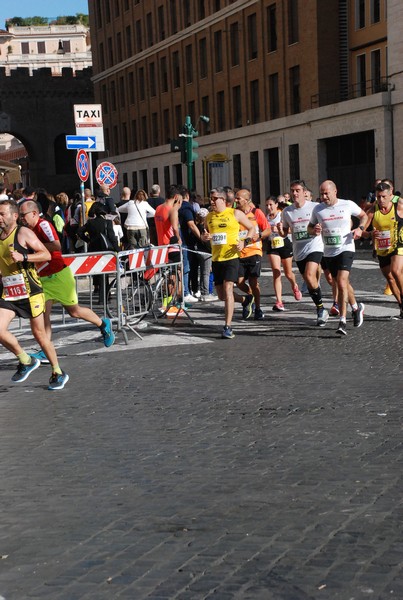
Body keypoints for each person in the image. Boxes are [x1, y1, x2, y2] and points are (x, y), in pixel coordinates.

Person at [18, 200, 115, 361]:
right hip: (43, 278)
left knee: (74, 311)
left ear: (34, 213)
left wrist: (34, 248)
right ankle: (46, 348)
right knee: (43, 315)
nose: (21, 218)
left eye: (23, 215)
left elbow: (56, 245)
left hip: (58, 275)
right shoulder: (28, 229)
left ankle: (103, 324)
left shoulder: (43, 225)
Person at [0, 199, 69, 390]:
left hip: (30, 291)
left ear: (14, 216)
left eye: (2, 214)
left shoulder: (23, 233)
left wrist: (24, 257)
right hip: (10, 292)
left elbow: (46, 254)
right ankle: (26, 359)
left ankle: (58, 371)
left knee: (39, 334)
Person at [308, 179, 367, 335]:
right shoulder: (318, 209)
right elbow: (309, 228)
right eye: (321, 194)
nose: (324, 197)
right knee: (343, 283)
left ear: (335, 191)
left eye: (326, 193)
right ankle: (356, 307)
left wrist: (360, 229)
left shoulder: (347, 204)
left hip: (346, 247)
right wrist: (314, 230)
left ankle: (342, 321)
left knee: (341, 282)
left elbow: (364, 216)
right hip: (329, 252)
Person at [202, 187, 257, 339]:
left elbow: (252, 228)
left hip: (232, 257)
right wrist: (204, 237)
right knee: (221, 296)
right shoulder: (209, 217)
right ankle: (245, 300)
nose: (211, 201)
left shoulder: (235, 213)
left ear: (223, 200)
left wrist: (244, 241)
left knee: (228, 289)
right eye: (210, 199)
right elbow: (205, 234)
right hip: (217, 259)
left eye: (214, 199)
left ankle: (228, 326)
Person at [279, 180, 328, 326]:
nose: (294, 193)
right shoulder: (287, 212)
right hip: (298, 251)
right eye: (292, 190)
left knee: (309, 275)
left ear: (304, 192)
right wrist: (281, 231)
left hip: (315, 246)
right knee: (309, 280)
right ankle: (320, 308)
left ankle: (320, 310)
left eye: (297, 190)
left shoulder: (315, 207)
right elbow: (285, 233)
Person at [363, 181, 403, 317]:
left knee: (396, 271)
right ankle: (401, 305)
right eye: (378, 197)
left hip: (398, 244)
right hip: (382, 248)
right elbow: (362, 229)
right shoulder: (373, 210)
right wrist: (369, 234)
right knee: (390, 279)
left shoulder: (399, 206)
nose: (381, 200)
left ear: (390, 195)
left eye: (384, 197)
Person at [234, 188, 272, 320]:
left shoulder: (257, 212)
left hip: (254, 251)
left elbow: (268, 230)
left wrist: (260, 235)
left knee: (253, 281)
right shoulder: (235, 214)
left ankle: (258, 308)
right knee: (238, 282)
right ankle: (250, 297)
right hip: (239, 253)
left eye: (238, 198)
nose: (236, 200)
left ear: (247, 200)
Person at [265, 195, 302, 311]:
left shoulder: (282, 215)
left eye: (271, 204)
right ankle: (279, 301)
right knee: (276, 272)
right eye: (267, 205)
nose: (269, 207)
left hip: (284, 244)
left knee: (288, 273)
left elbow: (292, 229)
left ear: (276, 205)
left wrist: (280, 230)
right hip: (273, 245)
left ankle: (294, 286)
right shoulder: (266, 217)